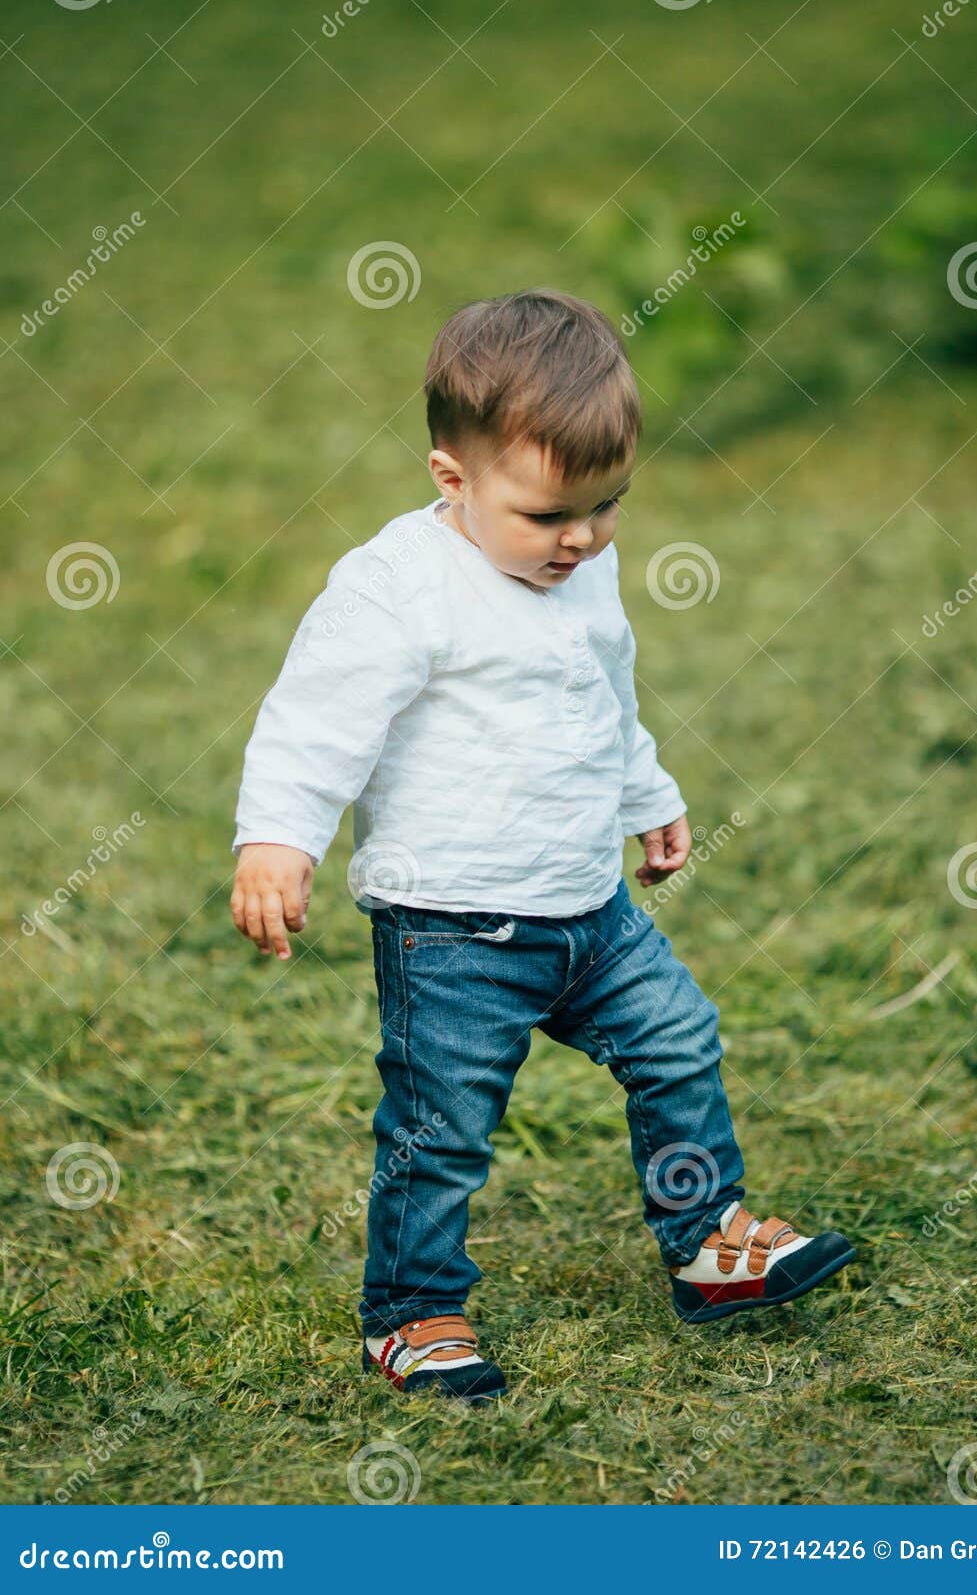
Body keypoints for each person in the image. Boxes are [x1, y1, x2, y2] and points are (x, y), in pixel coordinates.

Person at [230, 288, 855, 1403]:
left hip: (590, 910)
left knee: (676, 1041)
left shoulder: (580, 565)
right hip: (454, 929)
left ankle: (707, 1243)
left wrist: (644, 791)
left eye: (607, 506)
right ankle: (412, 1315)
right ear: (451, 479)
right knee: (442, 1129)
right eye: (546, 516)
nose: (578, 538)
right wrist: (279, 837)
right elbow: (314, 720)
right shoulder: (396, 590)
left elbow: (599, 693)